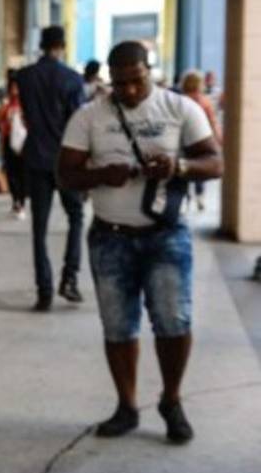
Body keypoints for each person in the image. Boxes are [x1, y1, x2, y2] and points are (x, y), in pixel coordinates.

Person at [57, 40, 222, 443]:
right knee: (118, 327)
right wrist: (101, 175)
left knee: (173, 322)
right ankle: (126, 406)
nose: (129, 90)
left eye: (137, 81)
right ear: (110, 79)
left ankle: (172, 399)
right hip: (110, 238)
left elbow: (214, 162)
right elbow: (65, 174)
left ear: (150, 71)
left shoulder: (180, 108)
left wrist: (178, 165)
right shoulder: (88, 116)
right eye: (120, 83)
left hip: (166, 237)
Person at [16, 25, 86, 310]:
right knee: (77, 217)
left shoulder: (25, 77)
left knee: (39, 228)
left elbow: (27, 114)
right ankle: (69, 279)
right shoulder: (72, 79)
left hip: (35, 158)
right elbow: (78, 123)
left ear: (43, 46)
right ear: (62, 46)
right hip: (65, 160)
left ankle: (43, 290)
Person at [178, 69, 223, 211]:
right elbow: (213, 122)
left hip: (181, 141)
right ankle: (199, 197)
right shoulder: (204, 101)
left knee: (183, 168)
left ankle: (185, 199)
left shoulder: (179, 101)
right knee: (199, 168)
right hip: (200, 140)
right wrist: (218, 139)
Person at [0, 69, 28, 218]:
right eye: (12, 88)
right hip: (8, 142)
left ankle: (20, 203)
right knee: (11, 173)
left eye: (17, 87)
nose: (14, 91)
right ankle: (16, 200)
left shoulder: (27, 106)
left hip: (23, 144)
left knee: (21, 174)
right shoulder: (5, 106)